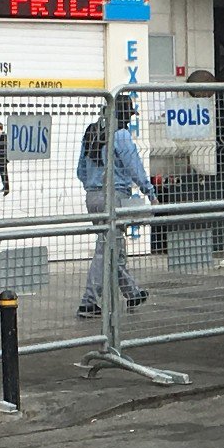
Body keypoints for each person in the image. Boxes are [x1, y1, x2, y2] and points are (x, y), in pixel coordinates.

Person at [75, 95, 155, 318]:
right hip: (114, 196)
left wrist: (93, 185)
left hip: (93, 196)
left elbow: (80, 170)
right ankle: (88, 301)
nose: (130, 120)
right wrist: (150, 191)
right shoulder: (120, 135)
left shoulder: (91, 132)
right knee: (106, 249)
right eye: (129, 115)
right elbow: (134, 166)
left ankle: (132, 292)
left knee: (113, 247)